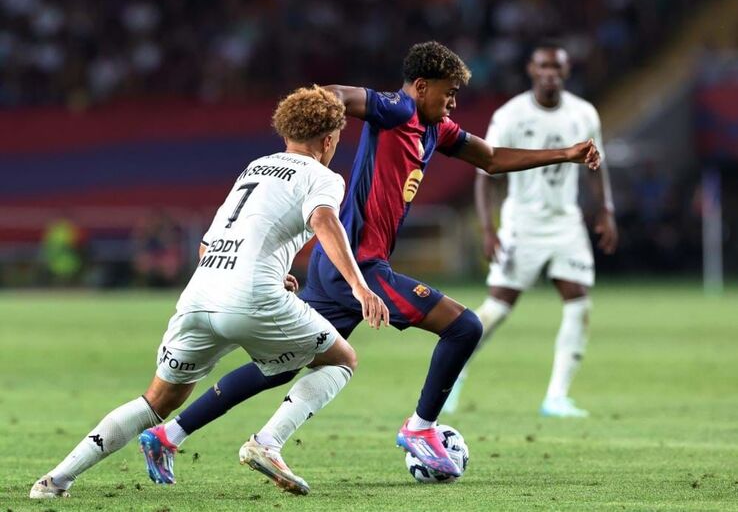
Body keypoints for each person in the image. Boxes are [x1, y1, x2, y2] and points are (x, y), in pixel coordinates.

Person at [139, 40, 601, 482]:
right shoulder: (397, 109)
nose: (454, 103)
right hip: (358, 264)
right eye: (449, 93)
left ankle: (169, 434)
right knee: (464, 327)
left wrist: (566, 154)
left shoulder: (436, 129)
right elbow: (340, 95)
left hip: (334, 266)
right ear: (421, 86)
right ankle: (420, 428)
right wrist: (316, 111)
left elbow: (492, 159)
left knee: (283, 362)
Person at [29, 85, 389, 499]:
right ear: (328, 139)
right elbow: (324, 221)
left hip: (200, 293)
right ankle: (267, 443)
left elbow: (207, 245)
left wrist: (269, 273)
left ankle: (54, 480)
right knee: (342, 359)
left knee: (156, 401)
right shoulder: (323, 177)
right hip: (251, 297)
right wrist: (360, 287)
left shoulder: (255, 168)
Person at [442, 41, 618, 418]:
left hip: (566, 222)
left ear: (566, 72)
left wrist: (606, 210)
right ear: (532, 70)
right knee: (498, 308)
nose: (550, 74)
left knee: (578, 302)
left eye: (557, 67)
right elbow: (484, 172)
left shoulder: (584, 113)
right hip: (522, 223)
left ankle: (556, 397)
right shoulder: (511, 115)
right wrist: (488, 229)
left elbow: (596, 165)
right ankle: (451, 376)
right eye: (544, 67)